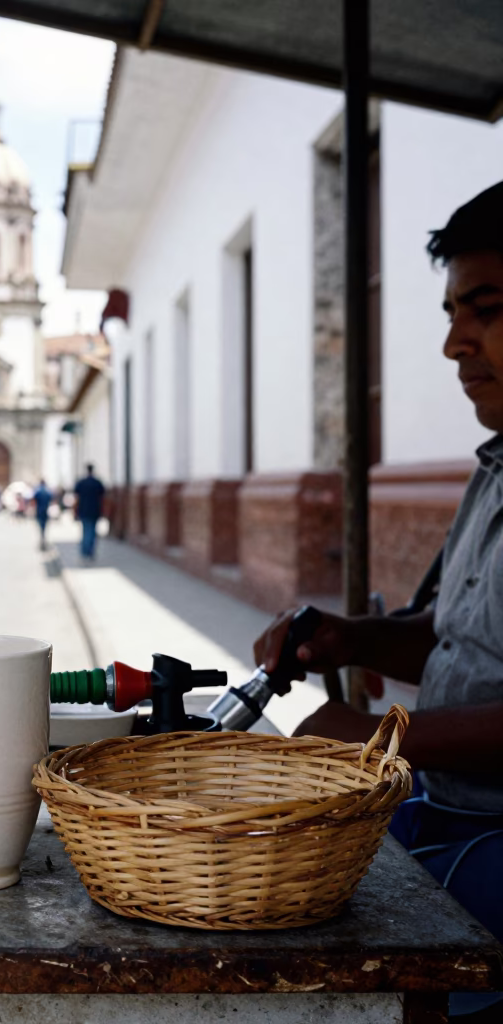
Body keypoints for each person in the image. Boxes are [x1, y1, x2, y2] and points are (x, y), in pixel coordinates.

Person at [253, 183, 503, 1017]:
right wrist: (352, 639)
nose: (454, 345)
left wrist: (376, 737)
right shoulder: (495, 469)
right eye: (451, 312)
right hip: (444, 807)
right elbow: (458, 637)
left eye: (487, 310)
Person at [73, 464, 105, 561]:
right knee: (92, 532)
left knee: (86, 531)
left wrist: (75, 511)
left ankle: (85, 552)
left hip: (84, 510)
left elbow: (76, 498)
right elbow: (102, 497)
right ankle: (90, 552)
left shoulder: (81, 482)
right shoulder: (97, 483)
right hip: (94, 510)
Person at [32, 479, 53, 551]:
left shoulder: (37, 491)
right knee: (44, 526)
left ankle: (42, 538)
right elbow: (51, 499)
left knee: (40, 526)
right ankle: (43, 538)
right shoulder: (47, 491)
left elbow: (34, 500)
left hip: (39, 511)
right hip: (45, 511)